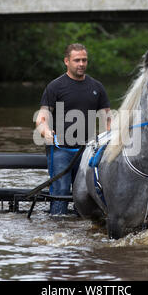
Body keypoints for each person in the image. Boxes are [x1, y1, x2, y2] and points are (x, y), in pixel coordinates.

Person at [35, 43, 111, 215]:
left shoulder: (97, 87)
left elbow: (108, 119)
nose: (81, 64)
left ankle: (81, 231)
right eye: (77, 60)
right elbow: (42, 117)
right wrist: (45, 131)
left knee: (86, 195)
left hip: (88, 151)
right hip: (60, 150)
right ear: (66, 61)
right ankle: (58, 228)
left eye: (84, 60)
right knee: (60, 192)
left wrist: (110, 139)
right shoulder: (54, 87)